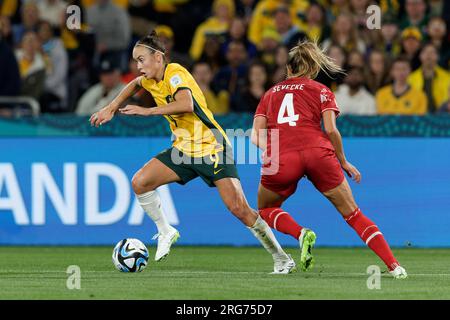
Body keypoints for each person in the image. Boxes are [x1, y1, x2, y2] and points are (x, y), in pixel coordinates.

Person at [90, 31, 296, 274]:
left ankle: (282, 258)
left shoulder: (175, 72)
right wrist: (111, 107)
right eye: (135, 60)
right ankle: (166, 230)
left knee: (239, 208)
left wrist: (147, 112)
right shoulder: (148, 80)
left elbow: (186, 104)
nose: (138, 66)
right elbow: (134, 84)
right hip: (184, 149)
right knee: (140, 182)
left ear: (158, 57)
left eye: (141, 59)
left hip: (212, 146)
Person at [250, 40, 407, 279]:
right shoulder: (321, 90)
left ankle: (301, 234)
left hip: (282, 156)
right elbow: (331, 130)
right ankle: (395, 266)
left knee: (266, 208)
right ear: (312, 69)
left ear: (288, 68)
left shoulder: (269, 94)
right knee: (353, 214)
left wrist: (269, 148)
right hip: (318, 153)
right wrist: (343, 161)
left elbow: (255, 135)